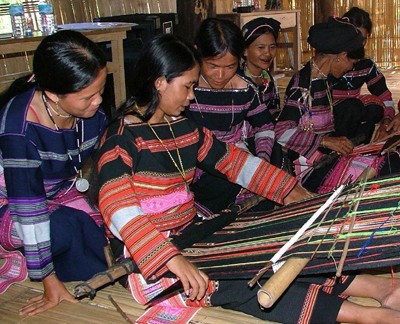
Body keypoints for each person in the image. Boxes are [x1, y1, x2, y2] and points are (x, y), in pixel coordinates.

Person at [94, 33, 400, 324]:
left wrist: (291, 192)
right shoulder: (121, 138)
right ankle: (367, 316)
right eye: (188, 86)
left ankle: (377, 288)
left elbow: (235, 162)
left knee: (273, 247)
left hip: (192, 235)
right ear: (160, 83)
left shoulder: (183, 127)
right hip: (148, 256)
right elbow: (117, 206)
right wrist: (172, 259)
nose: (191, 95)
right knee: (233, 282)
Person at [0, 30, 109, 316]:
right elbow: (28, 206)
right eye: (88, 96)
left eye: (101, 90)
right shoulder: (19, 129)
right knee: (66, 227)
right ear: (52, 94)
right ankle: (41, 269)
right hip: (10, 201)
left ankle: (74, 274)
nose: (98, 101)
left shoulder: (88, 112)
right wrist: (47, 279)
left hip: (58, 192)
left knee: (102, 233)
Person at [275, 16, 400, 194]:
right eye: (351, 62)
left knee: (392, 156)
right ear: (340, 56)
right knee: (388, 166)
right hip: (311, 170)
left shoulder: (322, 80)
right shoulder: (303, 86)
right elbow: (281, 132)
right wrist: (326, 141)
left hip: (327, 159)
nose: (350, 68)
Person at [184, 18, 277, 216]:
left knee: (273, 159)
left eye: (230, 67)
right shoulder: (186, 90)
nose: (220, 75)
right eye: (212, 66)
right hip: (200, 168)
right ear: (197, 52)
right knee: (226, 178)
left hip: (237, 159)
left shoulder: (244, 89)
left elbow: (265, 126)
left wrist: (262, 160)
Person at [331, 7, 397, 141]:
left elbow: (385, 97)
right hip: (329, 119)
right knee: (351, 107)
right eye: (355, 38)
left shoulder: (365, 65)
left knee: (374, 106)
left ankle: (360, 145)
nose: (359, 44)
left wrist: (386, 121)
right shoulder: (330, 61)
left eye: (364, 39)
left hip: (353, 115)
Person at [240, 17, 282, 119]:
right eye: (260, 47)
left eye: (272, 47)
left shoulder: (268, 80)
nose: (268, 53)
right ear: (245, 51)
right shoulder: (239, 82)